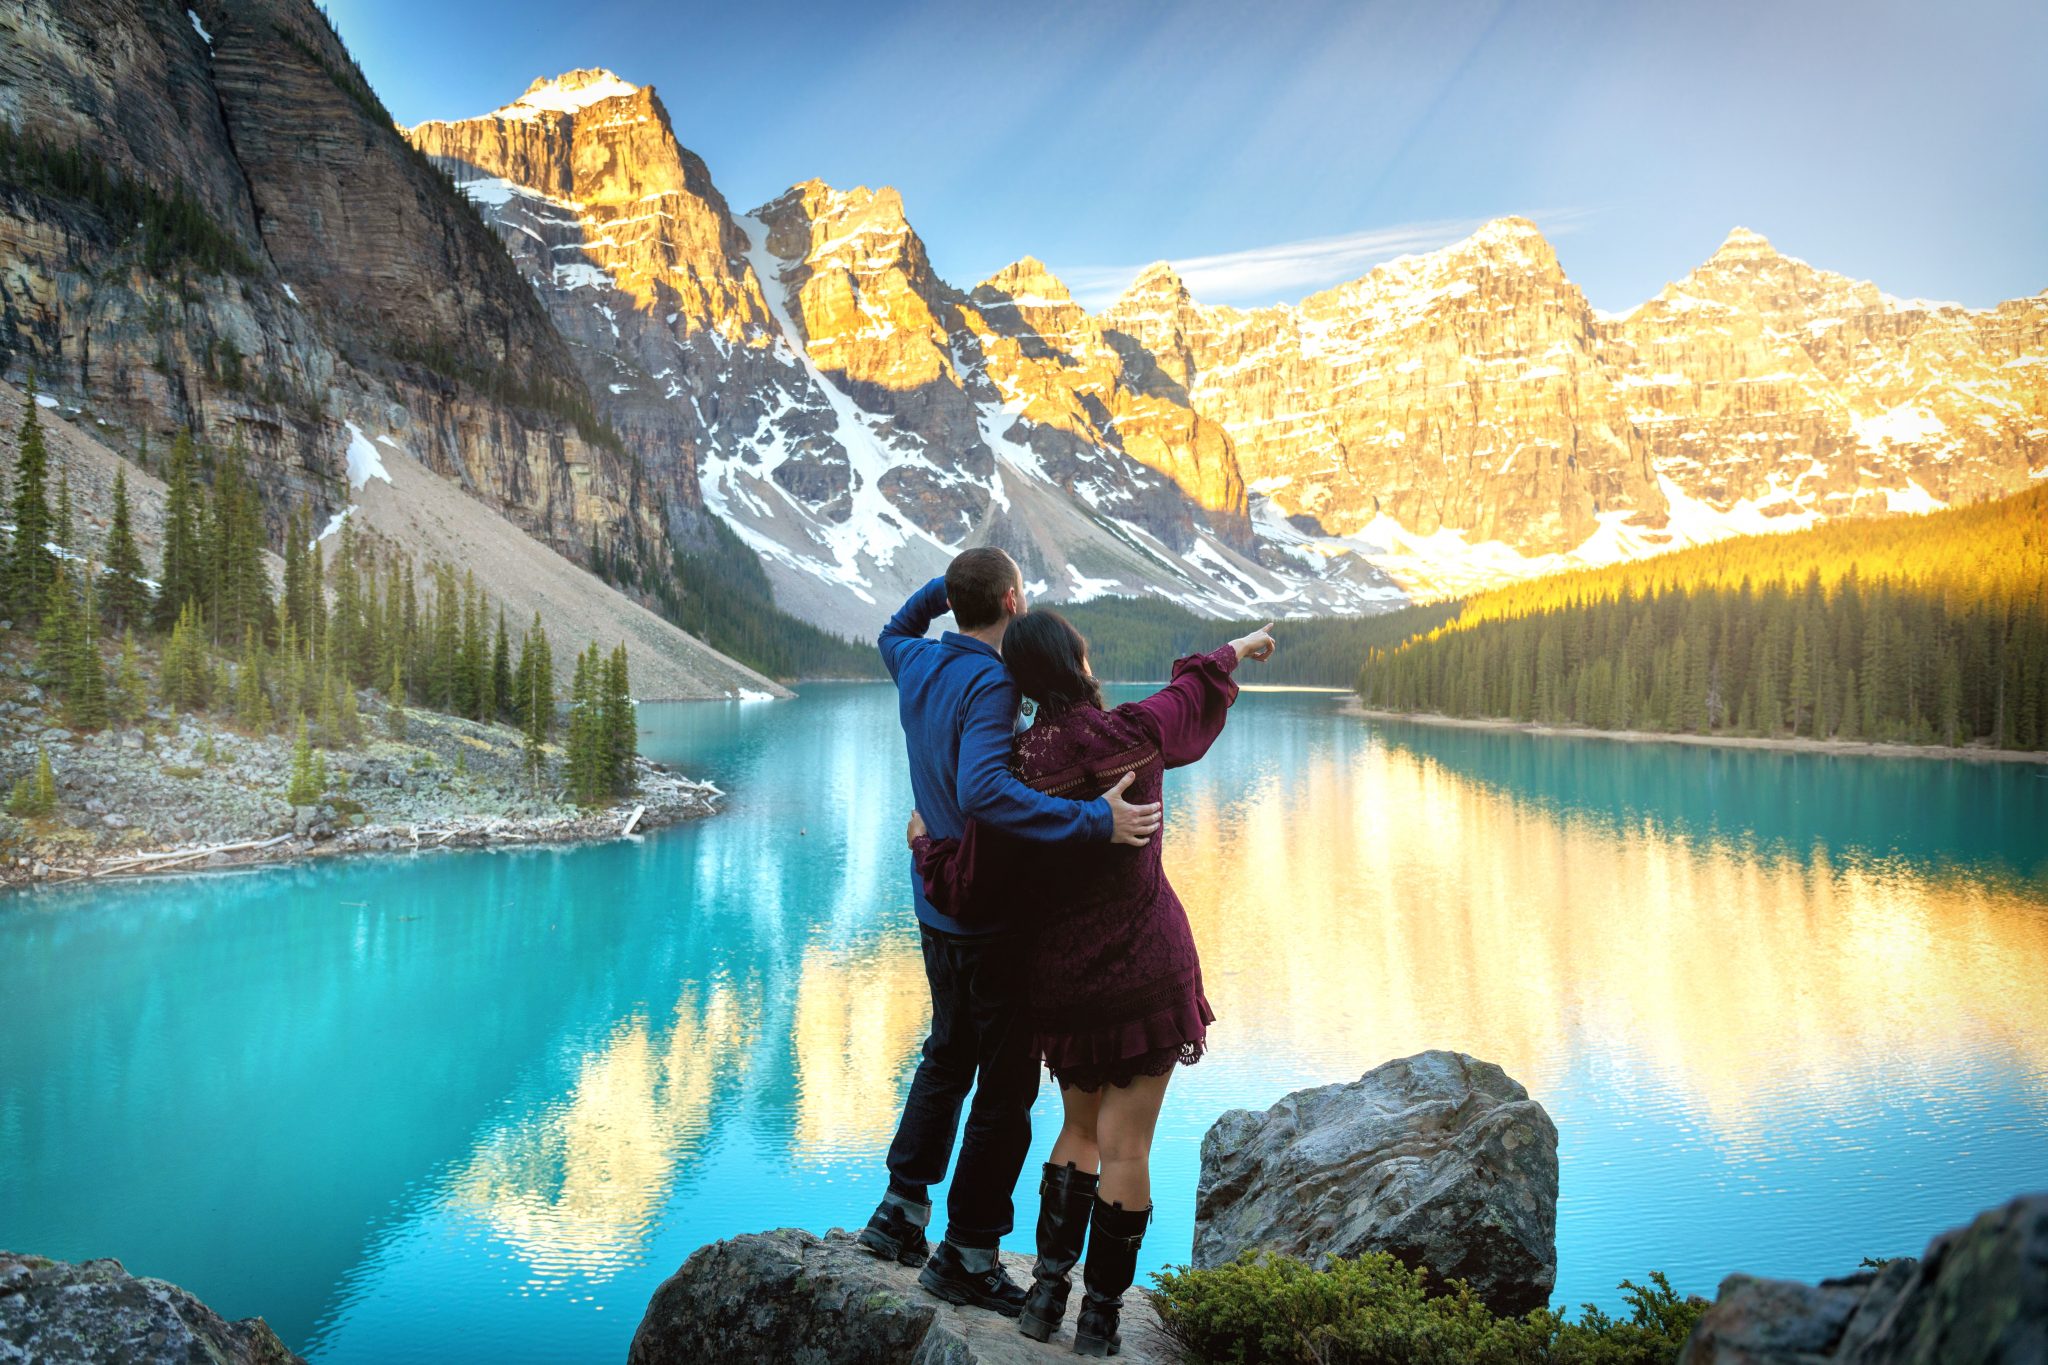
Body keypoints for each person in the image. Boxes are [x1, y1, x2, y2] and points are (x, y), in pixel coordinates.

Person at [909, 610, 1275, 1356]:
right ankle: (1100, 1319)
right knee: (1127, 1146)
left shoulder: (1013, 772)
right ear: (1076, 661)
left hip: (1065, 982)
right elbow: (1189, 694)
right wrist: (1232, 652)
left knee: (1077, 1130)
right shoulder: (1133, 733)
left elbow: (973, 879)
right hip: (1148, 970)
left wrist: (926, 849)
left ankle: (1044, 1298)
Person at [860, 548, 1165, 1317]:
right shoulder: (994, 682)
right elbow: (985, 789)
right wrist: (1096, 819)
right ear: (1011, 597)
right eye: (1015, 594)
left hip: (936, 905)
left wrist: (958, 591)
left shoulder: (914, 659)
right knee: (1004, 1085)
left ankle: (900, 1212)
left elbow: (894, 625)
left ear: (959, 602)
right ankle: (967, 1251)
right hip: (990, 916)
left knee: (946, 1051)